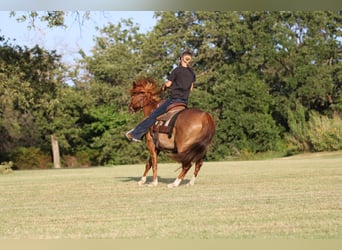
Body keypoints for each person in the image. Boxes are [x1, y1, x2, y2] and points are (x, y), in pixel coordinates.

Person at [125, 51, 196, 142]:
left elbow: (168, 84)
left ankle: (135, 134)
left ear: (181, 59)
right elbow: (191, 89)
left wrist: (164, 86)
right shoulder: (192, 73)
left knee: (153, 115)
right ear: (189, 60)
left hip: (174, 100)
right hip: (184, 102)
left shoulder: (177, 70)